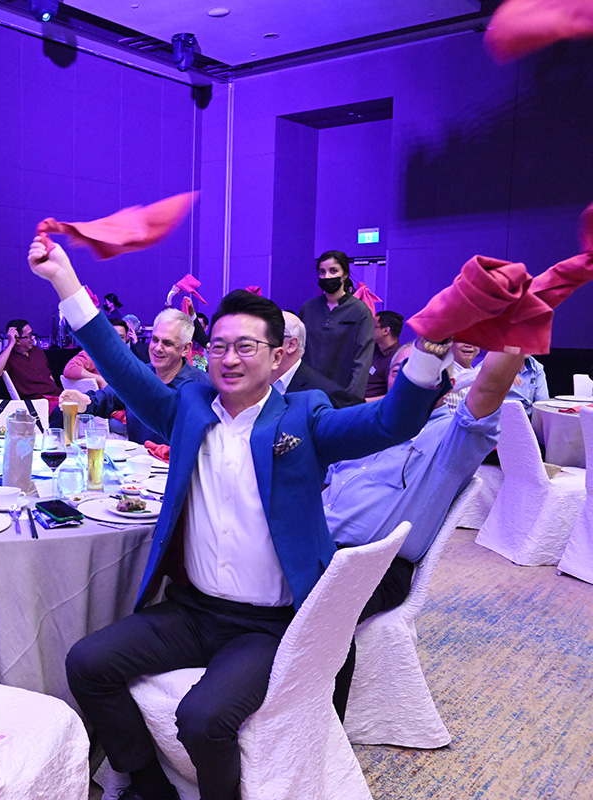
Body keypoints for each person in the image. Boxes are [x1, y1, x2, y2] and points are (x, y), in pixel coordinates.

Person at [27, 236, 446, 800]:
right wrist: (64, 282)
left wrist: (431, 348)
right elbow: (121, 368)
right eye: (219, 346)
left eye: (246, 347)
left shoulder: (305, 416)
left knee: (203, 719)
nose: (228, 359)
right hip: (192, 610)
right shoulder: (188, 407)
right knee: (87, 663)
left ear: (278, 357)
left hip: (268, 624)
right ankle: (149, 784)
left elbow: (390, 423)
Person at [326, 346, 526, 717]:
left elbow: (489, 389)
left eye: (422, 368)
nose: (410, 377)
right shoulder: (363, 426)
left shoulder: (451, 438)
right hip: (319, 545)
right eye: (400, 370)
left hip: (378, 565)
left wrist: (516, 331)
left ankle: (322, 727)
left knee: (321, 612)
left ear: (445, 382)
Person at [55, 309, 210, 446]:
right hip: (138, 466)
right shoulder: (138, 375)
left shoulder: (203, 387)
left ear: (186, 348)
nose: (157, 348)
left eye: (167, 343)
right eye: (155, 340)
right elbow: (106, 398)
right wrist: (84, 402)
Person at [298, 250, 375, 399]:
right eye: (322, 272)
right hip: (306, 392)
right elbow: (297, 351)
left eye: (333, 271)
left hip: (341, 393)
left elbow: (363, 359)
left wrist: (351, 398)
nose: (327, 276)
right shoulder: (308, 308)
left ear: (345, 274)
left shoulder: (360, 311)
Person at [270, 311, 363, 408]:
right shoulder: (261, 381)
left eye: (268, 338)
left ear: (291, 345)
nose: (262, 346)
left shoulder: (326, 394)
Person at [0, 319, 61, 399]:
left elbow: (49, 376)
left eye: (32, 334)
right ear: (17, 340)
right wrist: (11, 343)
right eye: (29, 335)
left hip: (56, 396)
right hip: (37, 400)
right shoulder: (9, 357)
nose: (33, 338)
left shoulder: (37, 351)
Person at [62, 318, 131, 390]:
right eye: (112, 336)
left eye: (121, 337)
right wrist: (99, 379)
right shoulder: (94, 353)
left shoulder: (128, 359)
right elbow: (70, 369)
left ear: (126, 340)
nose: (117, 341)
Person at [365, 310, 404, 399]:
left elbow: (394, 395)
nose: (369, 330)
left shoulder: (395, 359)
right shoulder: (374, 349)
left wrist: (363, 401)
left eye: (373, 327)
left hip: (370, 405)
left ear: (386, 330)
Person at [443, 341, 482, 412]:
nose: (469, 345)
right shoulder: (441, 371)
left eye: (474, 340)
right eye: (462, 340)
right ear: (450, 343)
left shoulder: (479, 376)